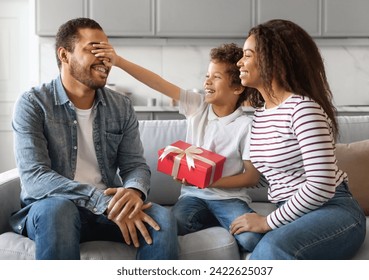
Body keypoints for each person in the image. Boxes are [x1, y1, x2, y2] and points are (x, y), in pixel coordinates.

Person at [10, 17, 178, 260]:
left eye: (107, 50)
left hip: (108, 209)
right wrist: (101, 201)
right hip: (53, 208)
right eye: (94, 49)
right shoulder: (33, 103)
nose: (105, 58)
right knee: (58, 210)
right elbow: (35, 177)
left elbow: (135, 166)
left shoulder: (121, 106)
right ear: (64, 55)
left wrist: (133, 192)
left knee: (162, 218)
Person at [92, 42, 263, 252]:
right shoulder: (197, 107)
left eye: (216, 77)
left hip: (230, 199)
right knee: (167, 228)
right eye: (207, 75)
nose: (207, 82)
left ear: (237, 88)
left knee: (252, 240)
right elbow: (157, 82)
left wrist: (208, 181)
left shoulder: (246, 126)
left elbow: (252, 177)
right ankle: (219, 224)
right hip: (192, 198)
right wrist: (119, 62)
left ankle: (224, 222)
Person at [230, 19, 366, 259]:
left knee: (273, 249)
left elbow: (321, 186)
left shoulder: (303, 109)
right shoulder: (261, 114)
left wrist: (267, 222)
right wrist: (214, 174)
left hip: (332, 209)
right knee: (249, 239)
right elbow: (272, 175)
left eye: (248, 55)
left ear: (275, 61)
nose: (239, 62)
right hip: (292, 210)